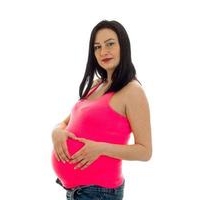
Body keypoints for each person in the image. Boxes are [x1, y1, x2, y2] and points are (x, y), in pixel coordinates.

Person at [51, 20, 152, 200]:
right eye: (97, 47)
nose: (103, 51)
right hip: (77, 191)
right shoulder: (98, 84)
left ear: (124, 46)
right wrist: (57, 131)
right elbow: (67, 121)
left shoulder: (132, 91)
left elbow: (145, 151)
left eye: (110, 44)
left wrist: (100, 148)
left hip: (98, 192)